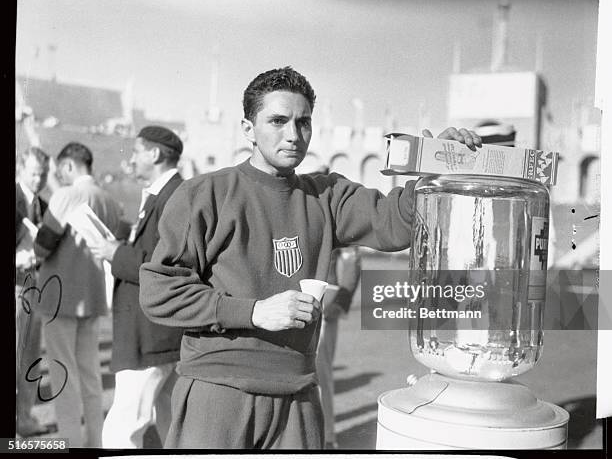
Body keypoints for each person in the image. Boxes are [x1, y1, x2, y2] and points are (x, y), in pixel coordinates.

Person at [139, 66, 482, 449]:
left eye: (303, 122)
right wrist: (252, 312)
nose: (293, 134)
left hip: (298, 397)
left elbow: (395, 223)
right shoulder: (204, 194)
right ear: (248, 128)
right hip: (218, 392)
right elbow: (158, 291)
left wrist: (435, 173)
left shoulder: (326, 195)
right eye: (278, 120)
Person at [88, 126, 185, 448]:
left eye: (136, 152)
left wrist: (115, 253)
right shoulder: (168, 193)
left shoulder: (173, 196)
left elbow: (169, 266)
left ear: (154, 154)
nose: (131, 159)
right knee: (173, 428)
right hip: (156, 332)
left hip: (150, 333)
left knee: (121, 432)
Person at [33, 142, 123, 447]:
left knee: (63, 374)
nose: (59, 175)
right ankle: (94, 441)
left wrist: (33, 246)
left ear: (70, 166)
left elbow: (43, 245)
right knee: (90, 375)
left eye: (61, 169)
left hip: (60, 296)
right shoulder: (110, 200)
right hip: (94, 295)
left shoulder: (65, 195)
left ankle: (69, 443)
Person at [15, 147, 51, 437]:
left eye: (43, 174)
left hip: (33, 289)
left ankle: (24, 419)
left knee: (29, 359)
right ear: (20, 170)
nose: (38, 179)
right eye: (33, 173)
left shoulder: (43, 205)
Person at [316, 246, 361, 449]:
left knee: (321, 375)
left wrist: (341, 302)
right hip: (288, 300)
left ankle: (327, 438)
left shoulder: (333, 213)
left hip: (325, 301)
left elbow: (352, 259)